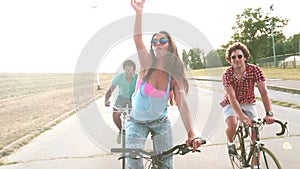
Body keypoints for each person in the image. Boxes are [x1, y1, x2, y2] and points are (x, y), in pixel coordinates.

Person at [129, 0, 203, 168]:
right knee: (134, 158)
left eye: (162, 40)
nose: (157, 44)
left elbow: (183, 105)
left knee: (166, 164)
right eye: (154, 42)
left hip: (160, 123)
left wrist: (191, 132)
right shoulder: (147, 64)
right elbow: (137, 38)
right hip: (136, 121)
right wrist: (139, 13)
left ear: (170, 45)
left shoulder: (174, 76)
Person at [220, 42, 275, 157]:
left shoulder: (255, 70)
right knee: (233, 123)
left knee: (256, 137)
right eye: (233, 57)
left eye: (240, 56)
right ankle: (230, 143)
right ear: (230, 60)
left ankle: (255, 164)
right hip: (231, 103)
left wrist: (269, 113)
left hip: (249, 102)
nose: (237, 59)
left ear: (245, 57)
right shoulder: (227, 74)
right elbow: (232, 97)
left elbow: (264, 92)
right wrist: (241, 116)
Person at [104, 59, 138, 144]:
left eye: (130, 70)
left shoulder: (138, 77)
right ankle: (121, 131)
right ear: (124, 70)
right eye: (126, 70)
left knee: (134, 117)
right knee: (116, 113)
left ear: (134, 70)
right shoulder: (119, 77)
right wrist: (106, 100)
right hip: (122, 98)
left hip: (133, 98)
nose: (129, 73)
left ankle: (134, 134)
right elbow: (110, 90)